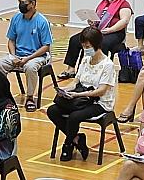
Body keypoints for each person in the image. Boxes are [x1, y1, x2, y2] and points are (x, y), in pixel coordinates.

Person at [47, 29, 116, 161]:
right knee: (52, 110)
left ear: (97, 44)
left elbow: (101, 91)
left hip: (99, 102)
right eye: (83, 46)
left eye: (88, 46)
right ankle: (76, 138)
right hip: (82, 99)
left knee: (74, 117)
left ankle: (67, 144)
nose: (85, 49)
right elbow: (76, 81)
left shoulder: (108, 65)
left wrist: (77, 95)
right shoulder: (85, 60)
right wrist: (66, 90)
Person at [62, 0, 133, 78]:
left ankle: (95, 69)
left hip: (114, 33)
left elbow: (124, 21)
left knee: (102, 43)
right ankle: (71, 69)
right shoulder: (103, 3)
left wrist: (111, 29)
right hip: (99, 30)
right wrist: (92, 22)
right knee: (75, 40)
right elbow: (97, 18)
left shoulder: (124, 4)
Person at [0, 0, 53, 110]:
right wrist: (13, 56)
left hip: (37, 56)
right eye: (20, 1)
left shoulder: (42, 22)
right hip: (17, 55)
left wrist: (28, 58)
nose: (21, 5)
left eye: (24, 2)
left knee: (30, 67)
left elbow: (46, 47)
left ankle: (30, 98)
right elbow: (11, 40)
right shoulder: (16, 18)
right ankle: (2, 97)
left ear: (32, 4)